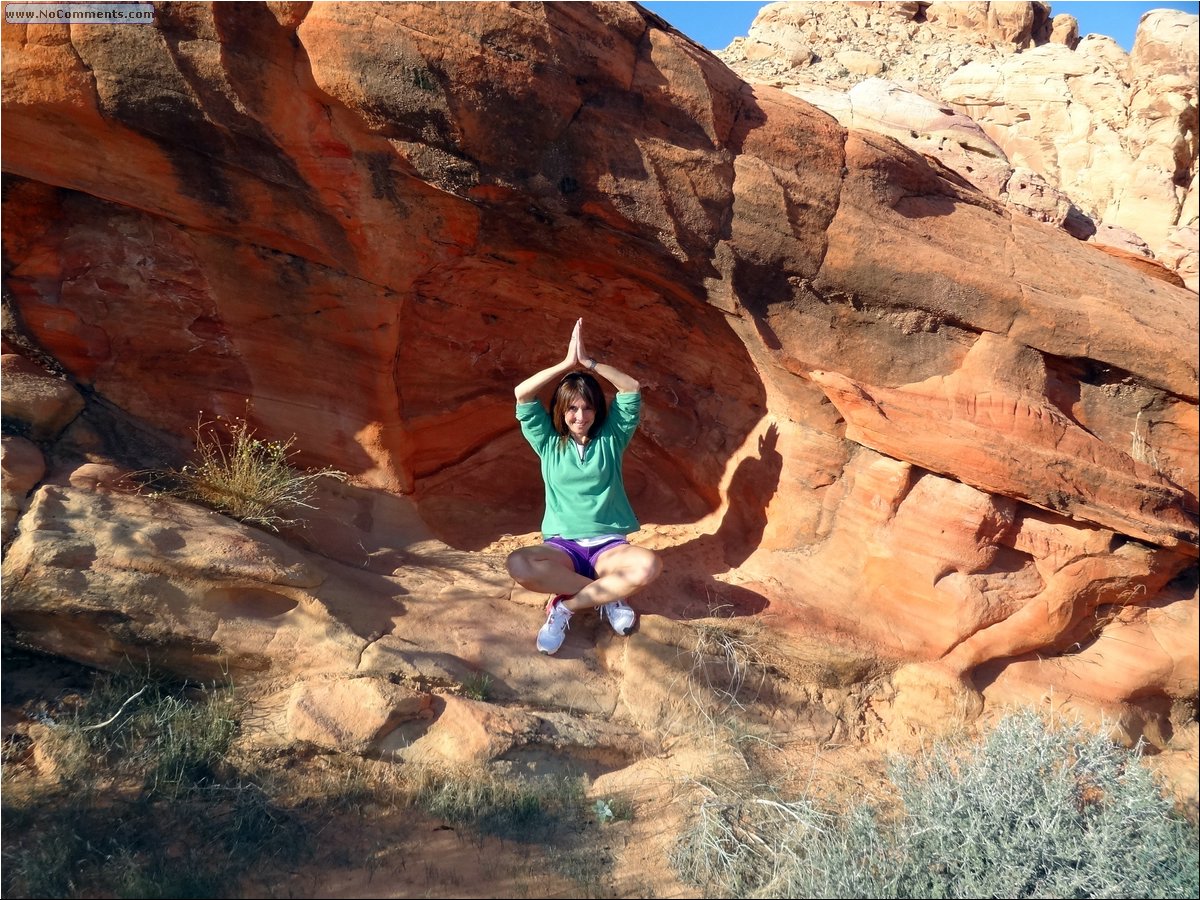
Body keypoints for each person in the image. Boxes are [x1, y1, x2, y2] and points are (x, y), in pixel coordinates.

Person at [506, 318, 662, 654]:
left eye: (588, 407)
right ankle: (607, 594)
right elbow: (522, 394)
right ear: (561, 411)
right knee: (518, 564)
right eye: (573, 408)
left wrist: (590, 363)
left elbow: (631, 387)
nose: (580, 416)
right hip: (564, 548)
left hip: (609, 546)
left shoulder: (612, 437)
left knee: (649, 565)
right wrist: (566, 364)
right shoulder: (547, 442)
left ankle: (564, 608)